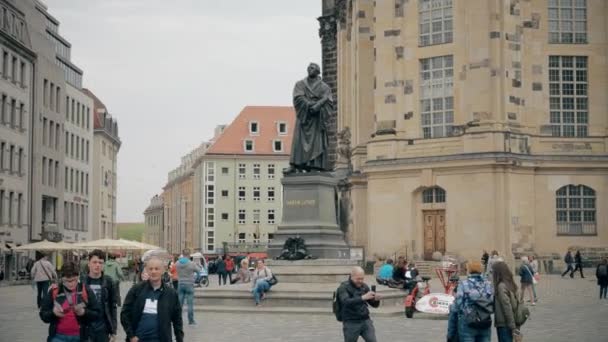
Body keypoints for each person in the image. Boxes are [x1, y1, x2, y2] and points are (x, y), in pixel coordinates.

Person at [284, 62, 333, 173]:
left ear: (318, 71)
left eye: (313, 67)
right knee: (299, 141)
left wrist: (319, 107)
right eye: (309, 67)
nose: (310, 69)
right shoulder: (300, 84)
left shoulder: (325, 87)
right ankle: (295, 165)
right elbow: (298, 98)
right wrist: (311, 105)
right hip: (304, 116)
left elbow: (329, 102)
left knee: (317, 142)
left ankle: (315, 165)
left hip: (317, 119)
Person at [121, 256, 183, 342]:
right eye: (150, 269)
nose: (153, 271)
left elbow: (177, 320)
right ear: (146, 270)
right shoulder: (136, 290)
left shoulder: (171, 294)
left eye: (157, 269)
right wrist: (131, 335)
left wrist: (179, 339)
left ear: (163, 270)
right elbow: (124, 314)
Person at [39, 261, 102, 342]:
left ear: (78, 277)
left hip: (81, 336)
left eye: (74, 280)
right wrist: (53, 313)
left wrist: (84, 312)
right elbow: (43, 315)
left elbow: (97, 314)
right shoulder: (54, 291)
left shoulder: (85, 290)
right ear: (61, 279)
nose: (71, 284)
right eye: (67, 281)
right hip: (58, 337)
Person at [453, 261, 493, 342]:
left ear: (469, 270)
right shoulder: (488, 284)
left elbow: (458, 302)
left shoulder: (464, 283)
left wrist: (465, 312)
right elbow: (491, 300)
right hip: (485, 319)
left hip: (468, 320)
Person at [82, 249, 117, 342]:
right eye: (94, 262)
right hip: (86, 326)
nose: (97, 265)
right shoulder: (82, 282)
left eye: (100, 262)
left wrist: (113, 331)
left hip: (103, 327)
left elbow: (113, 307)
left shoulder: (109, 282)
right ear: (88, 263)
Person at [338, 266, 380, 342]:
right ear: (352, 276)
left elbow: (374, 305)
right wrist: (362, 298)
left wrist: (376, 300)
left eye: (362, 278)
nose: (360, 281)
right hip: (351, 322)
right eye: (358, 279)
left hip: (365, 320)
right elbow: (345, 302)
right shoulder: (343, 287)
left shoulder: (364, 286)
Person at [493, 261, 522, 342]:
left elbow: (507, 307)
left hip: (505, 324)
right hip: (514, 322)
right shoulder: (511, 284)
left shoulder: (501, 286)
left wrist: (512, 327)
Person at [176, 249, 201, 326]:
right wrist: (196, 280)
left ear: (182, 254)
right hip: (189, 284)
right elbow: (199, 272)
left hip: (180, 284)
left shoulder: (177, 263)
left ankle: (178, 320)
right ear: (189, 254)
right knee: (190, 304)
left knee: (180, 304)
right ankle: (191, 321)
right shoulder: (191, 263)